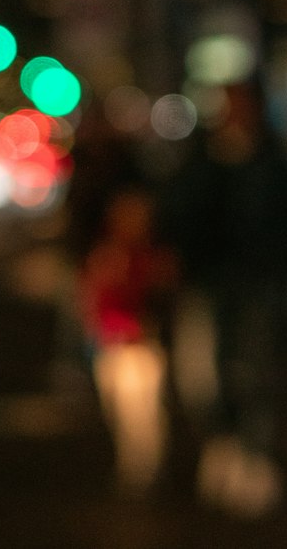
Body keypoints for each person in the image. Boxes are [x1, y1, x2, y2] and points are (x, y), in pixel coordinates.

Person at [160, 81, 287, 516]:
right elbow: (180, 210)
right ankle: (224, 443)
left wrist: (281, 260)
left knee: (257, 368)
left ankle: (256, 456)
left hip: (258, 280)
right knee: (206, 371)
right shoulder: (204, 158)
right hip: (210, 281)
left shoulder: (272, 160)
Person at [78, 186, 176, 495]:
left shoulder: (154, 260)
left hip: (140, 345)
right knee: (117, 409)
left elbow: (162, 299)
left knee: (142, 412)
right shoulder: (106, 255)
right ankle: (132, 466)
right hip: (111, 344)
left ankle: (144, 469)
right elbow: (91, 296)